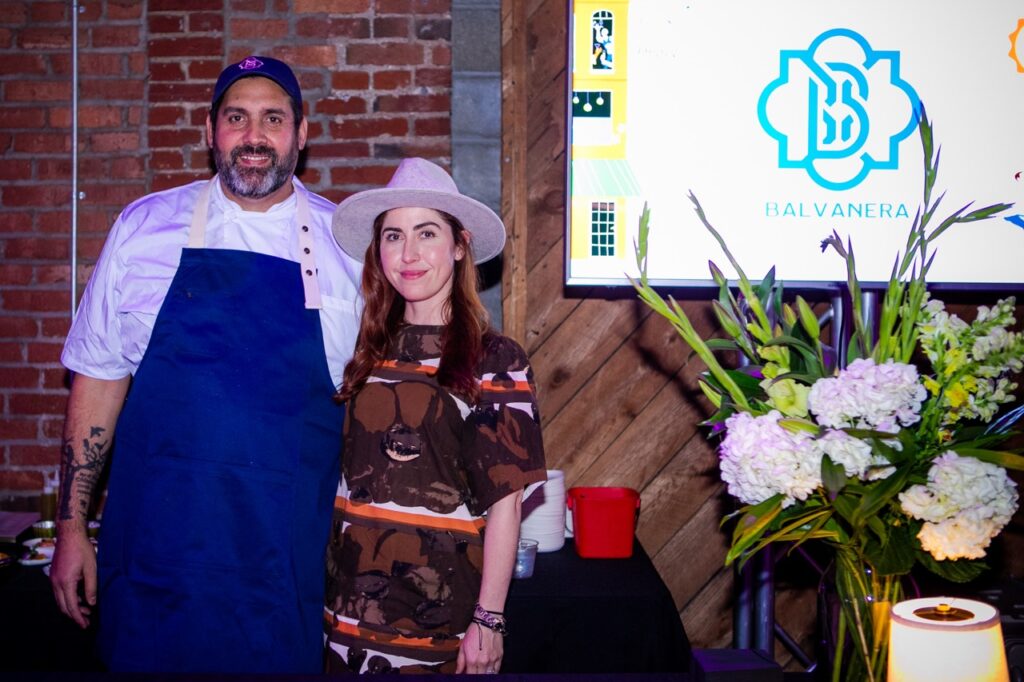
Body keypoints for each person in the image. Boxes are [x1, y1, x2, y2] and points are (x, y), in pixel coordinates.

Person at [49, 56, 362, 673]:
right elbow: (98, 381)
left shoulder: (348, 245)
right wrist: (70, 528)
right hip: (155, 557)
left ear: (302, 133)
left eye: (273, 119)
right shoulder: (144, 228)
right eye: (236, 117)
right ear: (209, 130)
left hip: (284, 562)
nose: (254, 136)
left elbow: (371, 411)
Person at [324, 158, 547, 674]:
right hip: (345, 617)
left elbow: (507, 505)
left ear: (460, 245)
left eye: (427, 233)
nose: (409, 254)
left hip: (440, 622)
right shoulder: (361, 353)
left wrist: (490, 619)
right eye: (394, 236)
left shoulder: (496, 359)